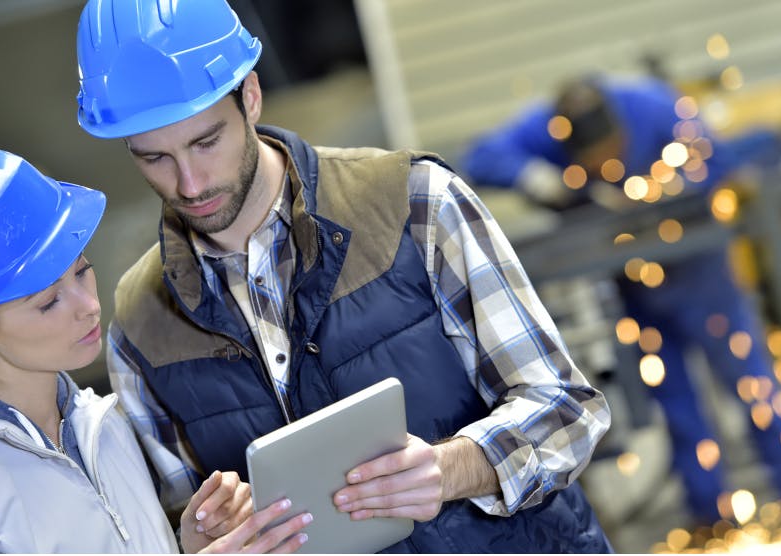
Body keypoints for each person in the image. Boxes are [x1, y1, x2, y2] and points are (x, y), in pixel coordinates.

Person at [74, 1, 613, 553]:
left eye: (206, 142)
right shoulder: (139, 328)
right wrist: (195, 540)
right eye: (153, 159)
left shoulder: (414, 202)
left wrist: (450, 468)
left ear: (251, 97)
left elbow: (568, 410)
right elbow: (169, 524)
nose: (189, 184)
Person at [0, 146, 312, 553]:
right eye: (48, 302)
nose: (89, 307)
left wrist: (185, 545)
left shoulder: (100, 426)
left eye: (83, 273)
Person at [461, 74, 781, 525]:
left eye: (609, 154)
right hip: (634, 282)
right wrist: (534, 177)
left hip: (699, 268)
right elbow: (479, 157)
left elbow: (717, 160)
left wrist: (671, 188)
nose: (602, 166)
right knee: (675, 399)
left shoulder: (653, 108)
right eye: (590, 163)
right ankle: (710, 517)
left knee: (748, 380)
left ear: (621, 132)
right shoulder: (551, 128)